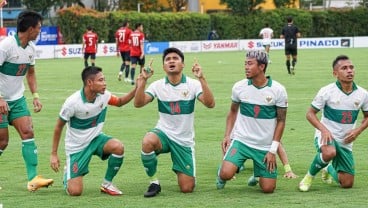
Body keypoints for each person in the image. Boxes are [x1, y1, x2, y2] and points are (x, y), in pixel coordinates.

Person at [134, 47, 215, 197]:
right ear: (164, 66)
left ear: (182, 65)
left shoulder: (193, 84)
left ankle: (184, 170)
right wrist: (143, 81)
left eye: (175, 58)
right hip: (163, 134)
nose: (171, 61)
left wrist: (201, 78)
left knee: (187, 188)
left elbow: (210, 104)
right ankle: (154, 182)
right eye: (168, 59)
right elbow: (138, 103)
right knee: (147, 141)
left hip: (183, 141)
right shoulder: (157, 85)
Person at [50, 66, 137, 196]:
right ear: (90, 83)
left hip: (96, 139)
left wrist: (137, 88)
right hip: (77, 147)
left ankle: (107, 184)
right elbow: (58, 127)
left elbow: (119, 102)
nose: (105, 83)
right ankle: (68, 173)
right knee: (75, 192)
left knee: (118, 147)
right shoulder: (72, 103)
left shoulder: (104, 95)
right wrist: (54, 154)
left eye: (104, 80)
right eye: (101, 80)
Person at [216, 50, 287, 193]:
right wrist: (227, 135)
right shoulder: (239, 87)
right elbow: (233, 112)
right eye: (245, 64)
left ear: (262, 67)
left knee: (268, 189)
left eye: (250, 64)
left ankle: (256, 175)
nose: (246, 67)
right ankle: (221, 175)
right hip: (242, 141)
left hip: (264, 146)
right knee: (226, 173)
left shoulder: (278, 90)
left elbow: (281, 121)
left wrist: (272, 150)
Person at [0, 10, 54, 192]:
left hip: (17, 99)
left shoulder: (30, 49)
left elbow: (30, 73)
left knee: (28, 132)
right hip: (0, 100)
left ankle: (33, 179)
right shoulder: (6, 46)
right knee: (2, 142)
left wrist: (35, 96)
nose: (40, 30)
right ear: (30, 29)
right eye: (38, 27)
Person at [299, 55, 368, 192]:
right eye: (344, 68)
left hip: (346, 141)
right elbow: (310, 114)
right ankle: (308, 176)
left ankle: (328, 168)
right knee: (329, 152)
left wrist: (358, 130)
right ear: (335, 73)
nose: (349, 71)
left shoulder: (363, 94)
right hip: (326, 135)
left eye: (351, 67)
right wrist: (323, 130)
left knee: (347, 183)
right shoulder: (327, 91)